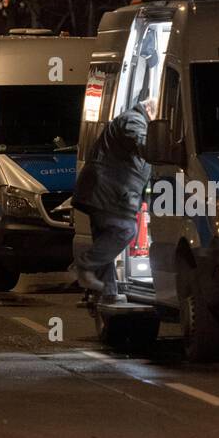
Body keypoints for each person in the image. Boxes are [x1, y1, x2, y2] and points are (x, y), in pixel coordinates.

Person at [72, 92, 157, 302]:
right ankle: (83, 264)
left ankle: (107, 293)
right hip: (106, 191)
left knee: (104, 238)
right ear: (151, 110)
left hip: (102, 191)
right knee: (125, 230)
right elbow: (142, 143)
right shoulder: (134, 120)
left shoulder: (132, 119)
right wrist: (162, 146)